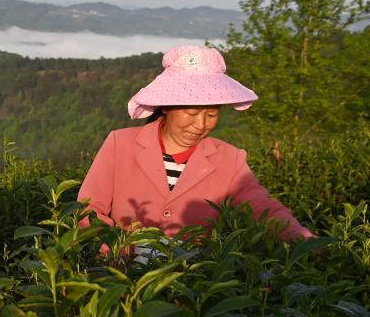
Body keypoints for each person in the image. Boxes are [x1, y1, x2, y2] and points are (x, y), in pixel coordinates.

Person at [78, 45, 312, 241]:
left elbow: (263, 207)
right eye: (191, 114)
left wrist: (305, 240)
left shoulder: (229, 160)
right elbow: (89, 210)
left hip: (191, 286)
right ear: (166, 107)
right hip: (122, 279)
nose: (201, 124)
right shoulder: (121, 144)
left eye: (211, 115)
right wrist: (110, 253)